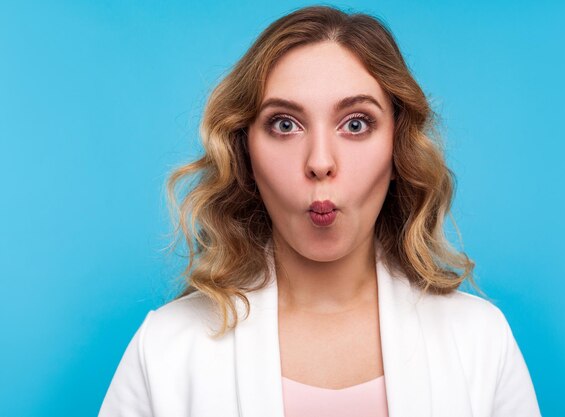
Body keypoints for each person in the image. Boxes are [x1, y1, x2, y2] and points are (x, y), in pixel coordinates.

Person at [98, 5, 541, 417]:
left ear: (397, 150)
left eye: (356, 123)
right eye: (285, 125)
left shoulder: (481, 342)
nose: (320, 162)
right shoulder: (166, 349)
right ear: (245, 153)